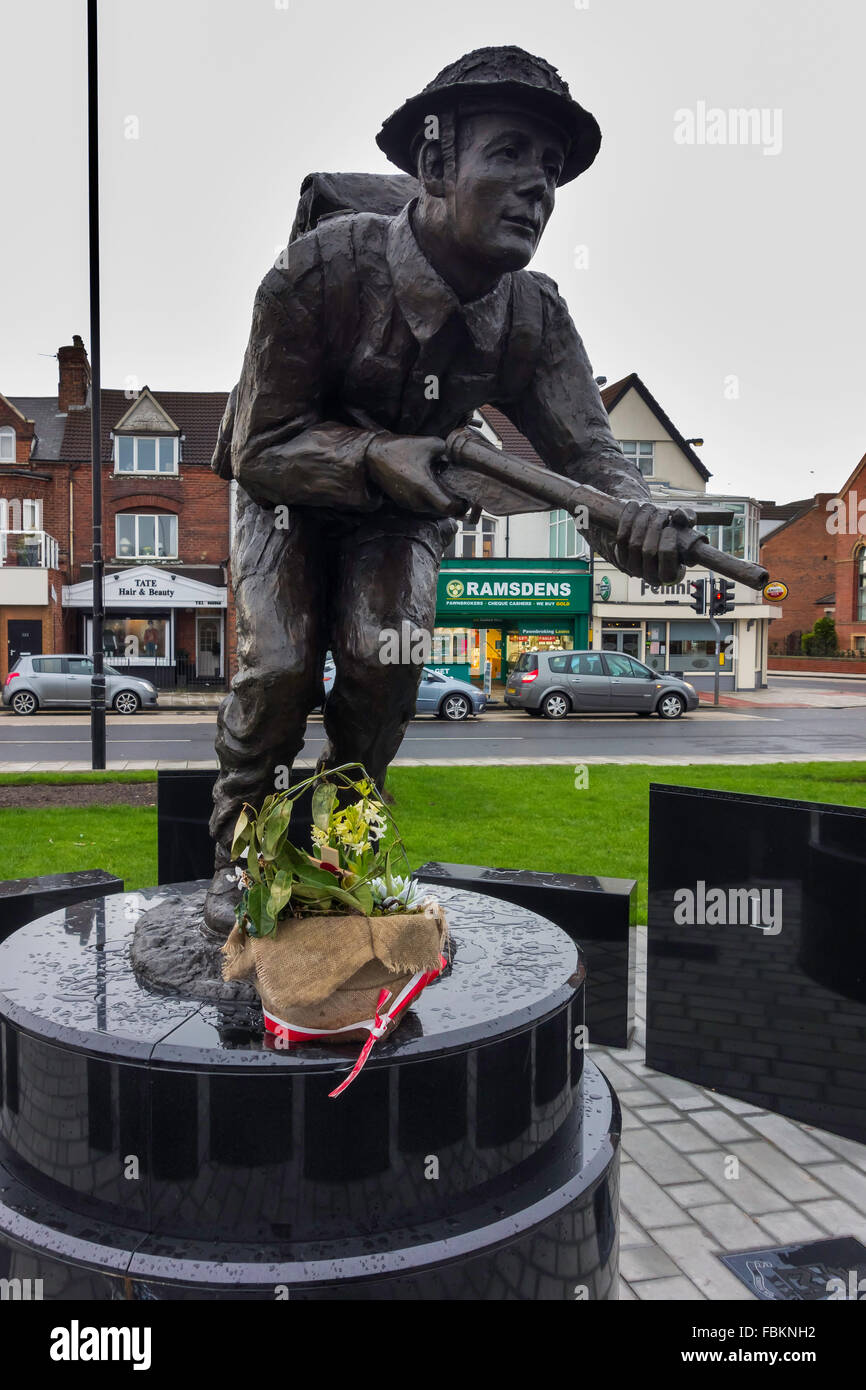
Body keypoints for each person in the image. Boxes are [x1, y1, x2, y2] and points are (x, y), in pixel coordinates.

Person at [204, 45, 695, 933]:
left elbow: (590, 457)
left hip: (402, 513)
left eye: (550, 170)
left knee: (382, 671)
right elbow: (260, 446)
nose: (538, 188)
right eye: (509, 154)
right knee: (279, 670)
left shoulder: (533, 314)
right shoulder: (317, 273)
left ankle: (347, 860)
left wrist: (638, 518)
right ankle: (240, 860)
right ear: (435, 164)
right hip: (285, 488)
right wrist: (376, 456)